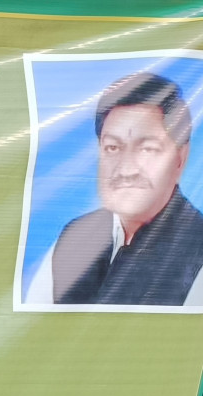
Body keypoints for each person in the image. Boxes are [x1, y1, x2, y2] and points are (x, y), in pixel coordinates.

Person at [25, 71, 203, 306]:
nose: (126, 169)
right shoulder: (72, 239)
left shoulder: (197, 246)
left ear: (180, 158)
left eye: (147, 149)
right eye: (112, 148)